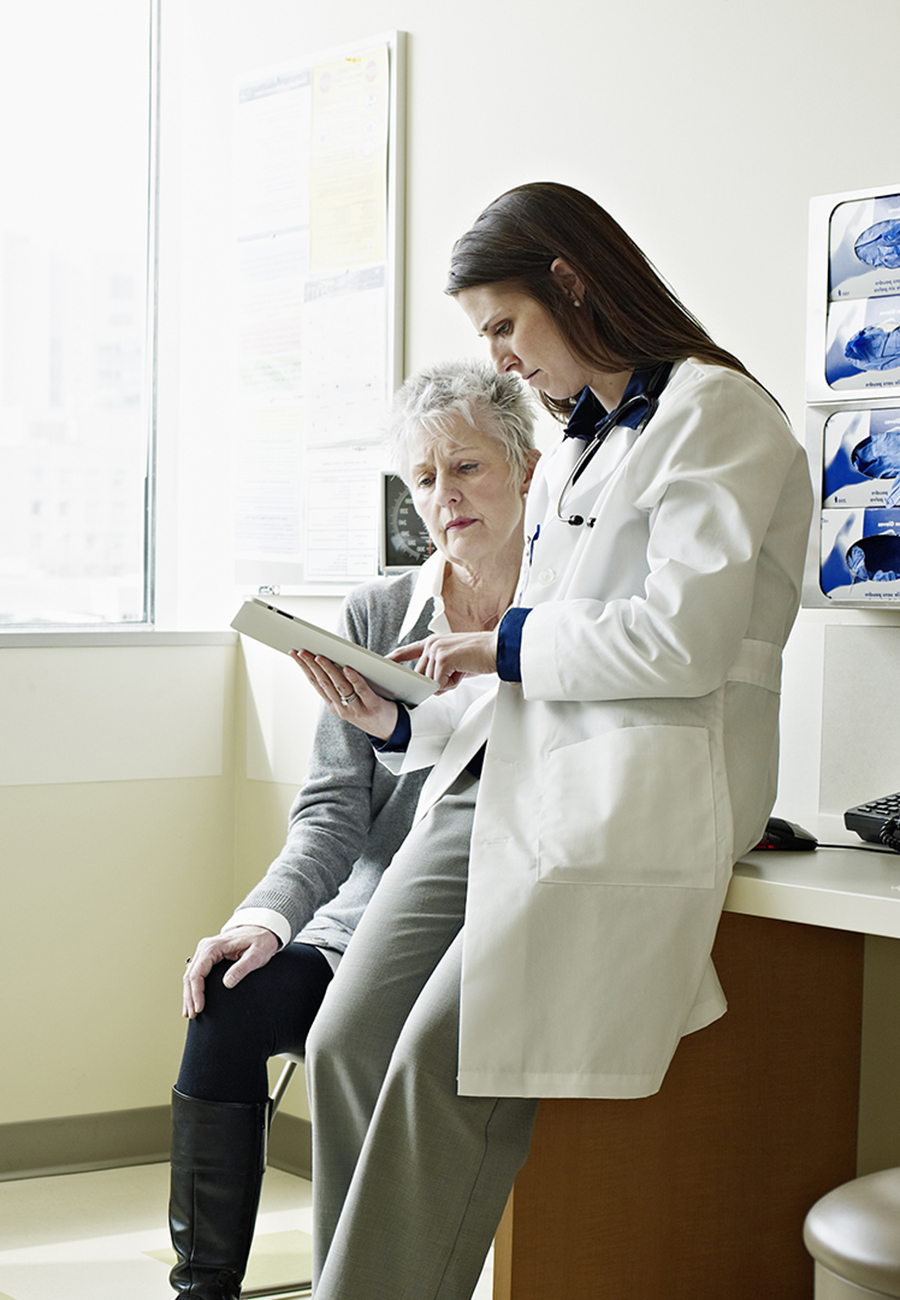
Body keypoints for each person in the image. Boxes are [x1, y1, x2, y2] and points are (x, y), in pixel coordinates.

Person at [295, 181, 814, 1300]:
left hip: (633, 786)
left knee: (447, 1061)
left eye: (504, 326)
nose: (502, 358)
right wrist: (405, 715)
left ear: (571, 284)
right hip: (502, 769)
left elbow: (678, 643)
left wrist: (498, 648)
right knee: (347, 1042)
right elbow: (557, 645)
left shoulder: (718, 414)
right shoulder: (582, 444)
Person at [168, 358, 538, 1300]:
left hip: (489, 917)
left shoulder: (561, 612)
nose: (444, 498)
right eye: (424, 479)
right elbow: (332, 809)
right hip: (366, 919)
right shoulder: (377, 615)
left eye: (467, 468)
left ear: (527, 466)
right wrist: (265, 919)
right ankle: (202, 1290)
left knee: (365, 1041)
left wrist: (409, 727)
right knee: (225, 997)